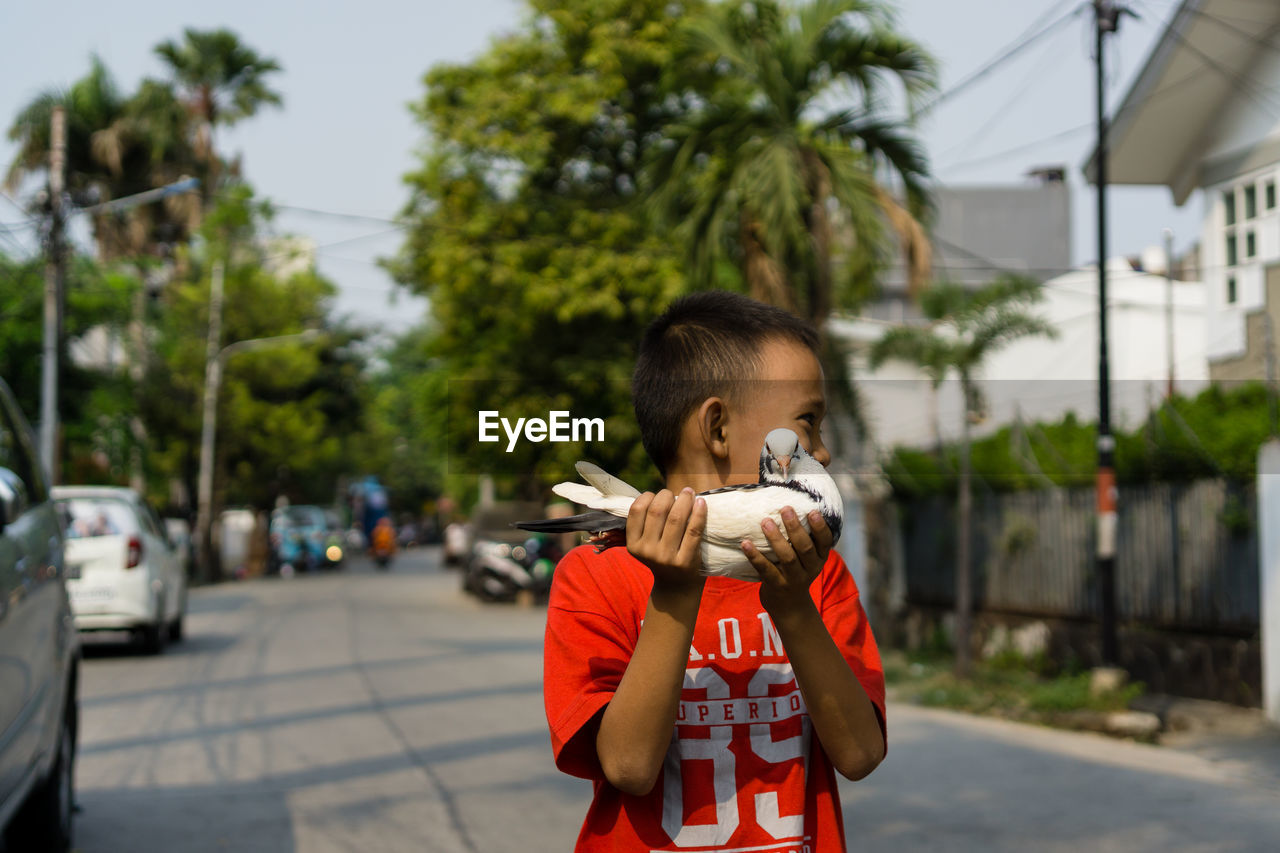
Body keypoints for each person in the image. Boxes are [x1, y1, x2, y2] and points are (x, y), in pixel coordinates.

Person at [543, 291, 886, 852]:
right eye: (808, 423)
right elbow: (629, 767)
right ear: (718, 428)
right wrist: (675, 593)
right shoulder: (596, 577)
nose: (821, 453)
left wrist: (794, 607)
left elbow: (860, 755)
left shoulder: (818, 576)